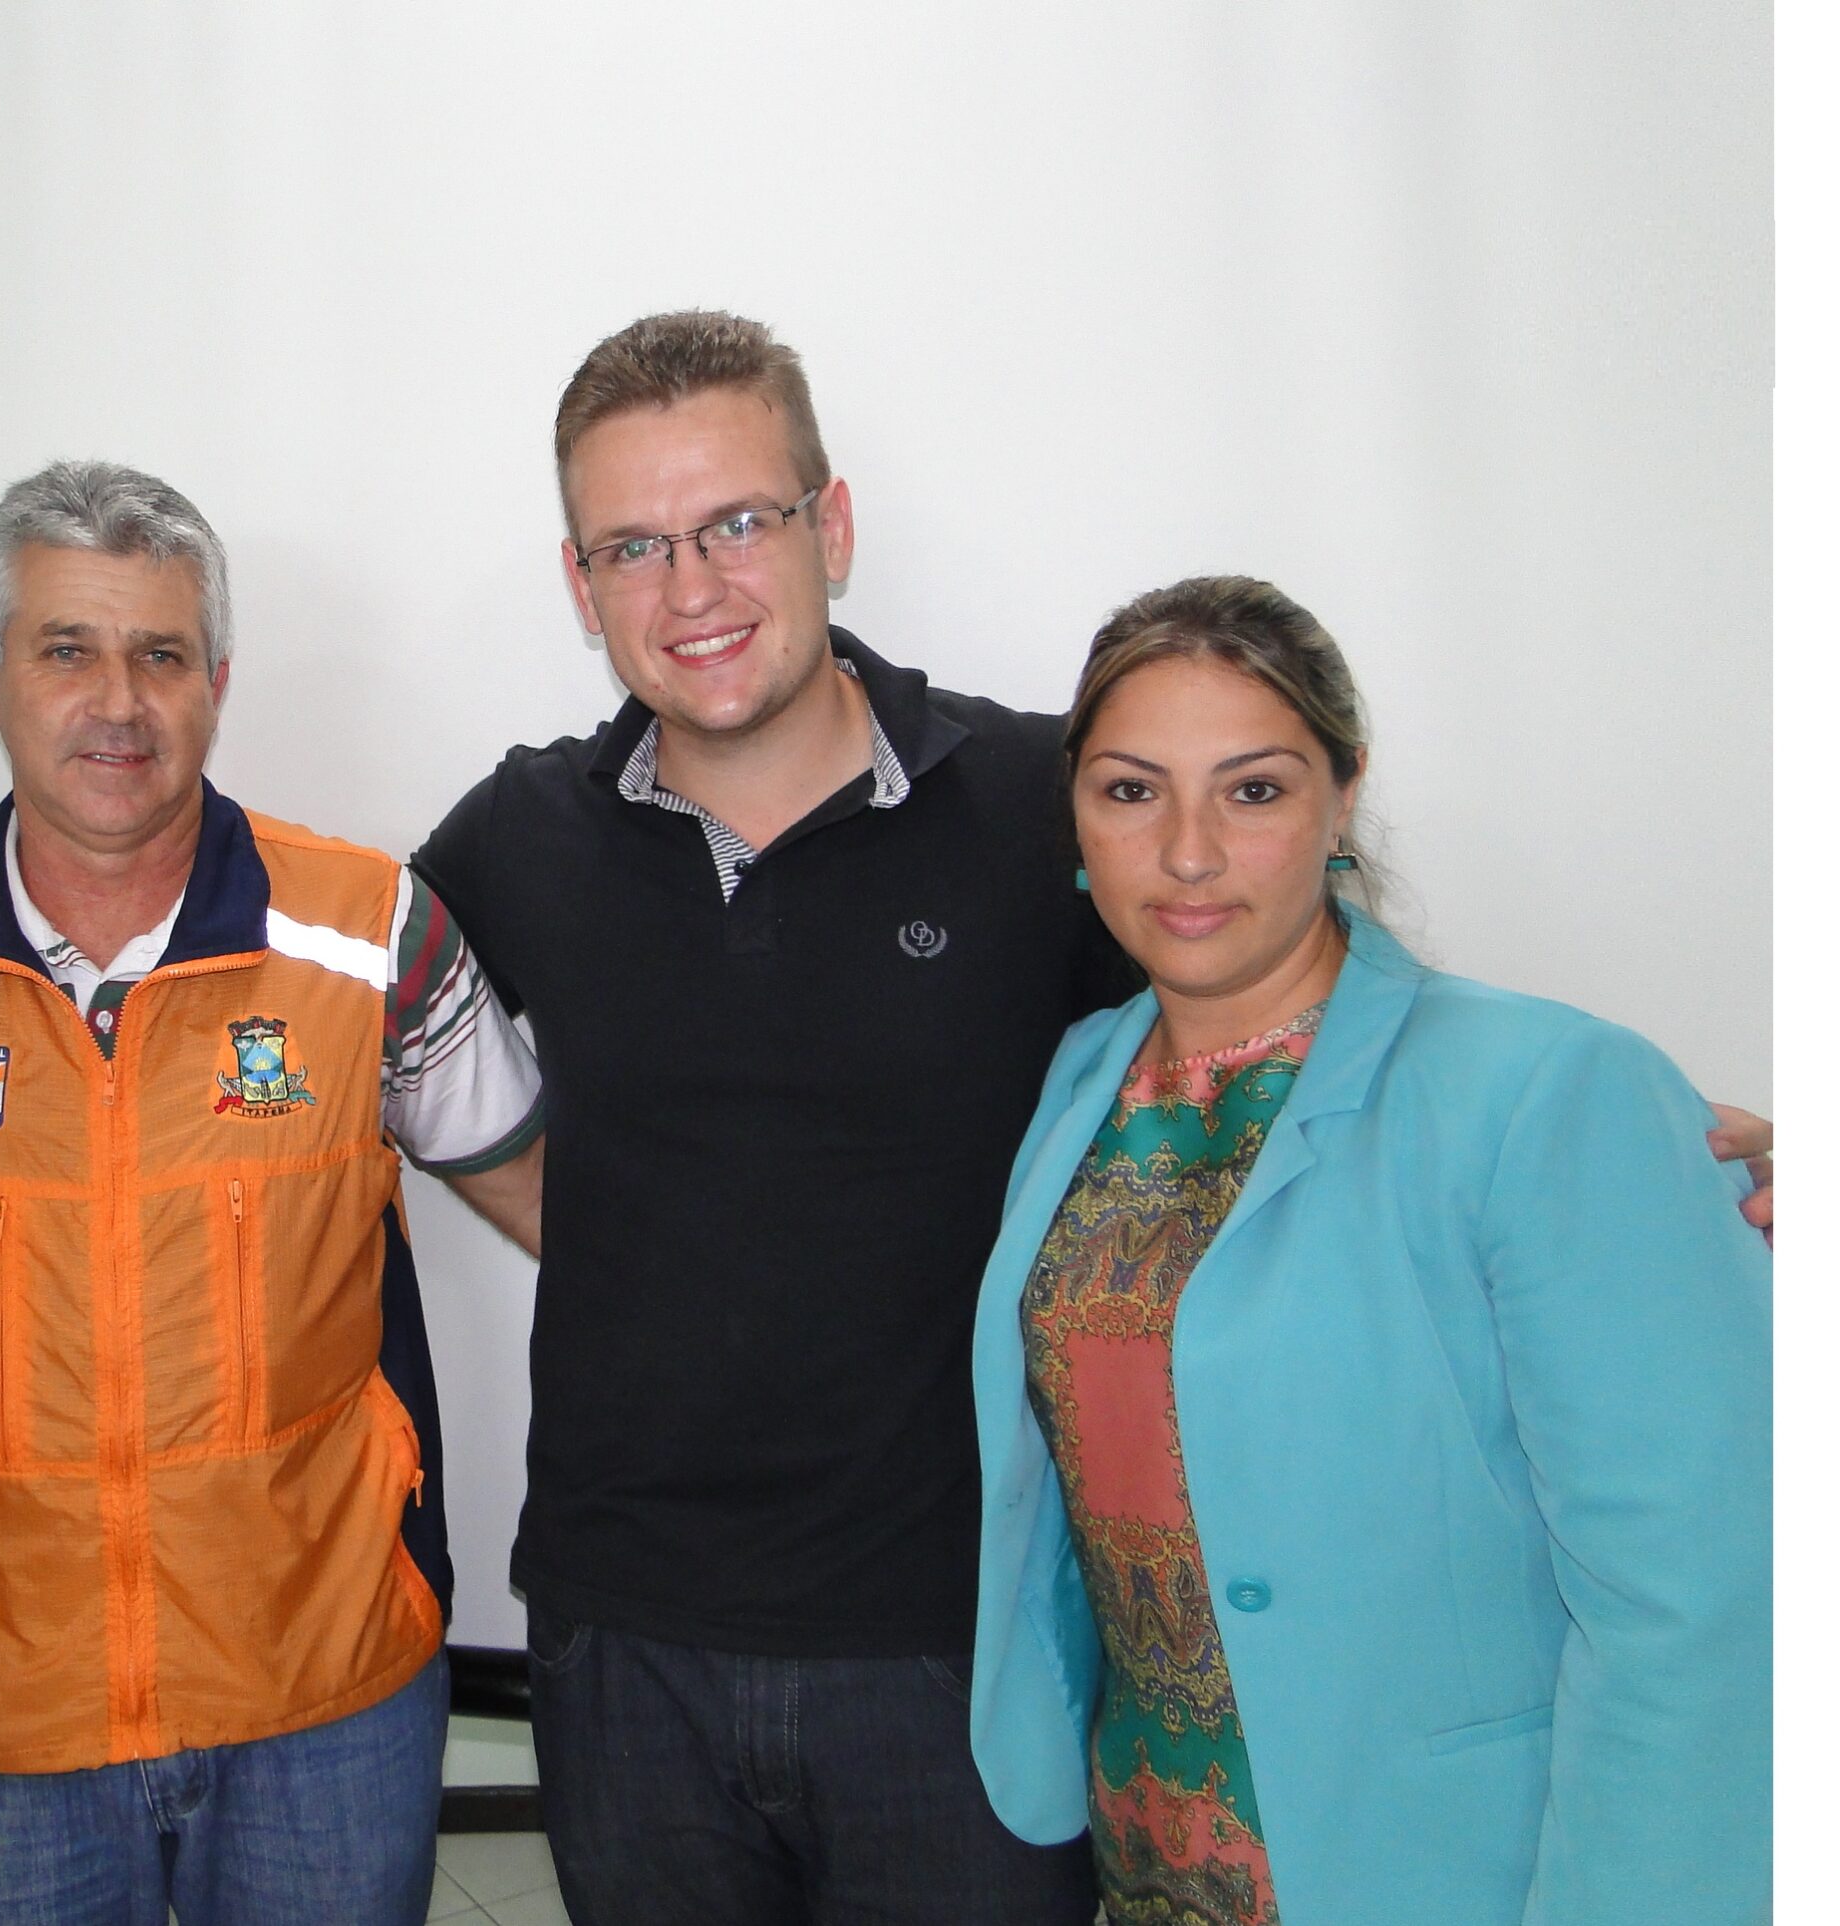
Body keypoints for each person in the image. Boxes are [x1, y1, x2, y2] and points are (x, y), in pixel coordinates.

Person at [414, 310, 1773, 1926]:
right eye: (633, 544)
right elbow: (328, 1027)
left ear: (831, 526)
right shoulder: (522, 831)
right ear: (582, 586)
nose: (691, 587)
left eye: (737, 524)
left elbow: (1286, 1019)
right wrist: (595, 1216)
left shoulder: (1045, 794)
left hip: (969, 1650)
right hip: (619, 1645)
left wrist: (1648, 1151)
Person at [0, 459, 544, 1926]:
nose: (117, 701)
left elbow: (545, 1196)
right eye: (67, 648)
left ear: (217, 680)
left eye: (161, 654)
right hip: (3, 1707)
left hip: (318, 1688)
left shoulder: (368, 930)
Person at [966, 576, 1770, 1924]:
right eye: (1130, 790)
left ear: (1343, 796)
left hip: (1451, 1869)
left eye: (1255, 789)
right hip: (1154, 1858)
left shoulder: (1546, 1088)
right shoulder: (1081, 1078)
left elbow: (1698, 1603)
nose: (1188, 852)